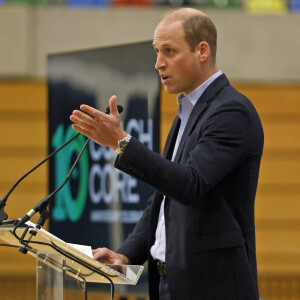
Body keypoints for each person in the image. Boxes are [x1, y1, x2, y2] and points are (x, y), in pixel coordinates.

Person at [70, 8, 264, 300]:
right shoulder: (188, 111)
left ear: (202, 50)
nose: (158, 63)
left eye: (169, 51)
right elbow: (163, 200)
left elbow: (190, 184)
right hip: (168, 284)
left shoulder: (231, 111)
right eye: (156, 51)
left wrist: (122, 142)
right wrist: (126, 254)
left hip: (212, 288)